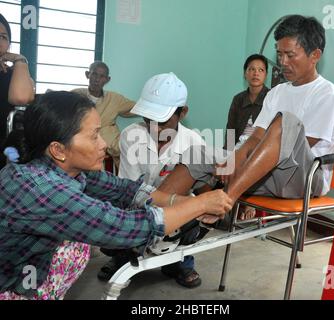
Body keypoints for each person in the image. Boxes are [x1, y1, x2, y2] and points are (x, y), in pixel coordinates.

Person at [0, 91, 232, 300]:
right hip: (12, 285)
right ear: (58, 149)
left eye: (100, 133)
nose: (104, 144)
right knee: (95, 231)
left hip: (31, 273)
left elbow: (126, 189)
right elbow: (126, 227)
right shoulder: (41, 189)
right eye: (93, 136)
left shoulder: (70, 170)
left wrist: (186, 203)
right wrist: (201, 204)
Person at [157, 15, 334, 213]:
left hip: (304, 179)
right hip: (267, 173)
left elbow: (295, 146)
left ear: (315, 55)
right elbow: (256, 136)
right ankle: (155, 223)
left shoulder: (326, 93)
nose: (282, 62)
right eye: (279, 54)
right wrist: (236, 157)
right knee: (197, 153)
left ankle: (226, 200)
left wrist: (242, 163)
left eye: (290, 55)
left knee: (285, 122)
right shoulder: (277, 92)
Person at [97, 73, 206, 288]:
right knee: (115, 211)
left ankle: (181, 262)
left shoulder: (194, 143)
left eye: (162, 120)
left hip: (175, 205)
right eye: (148, 119)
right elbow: (128, 187)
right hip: (138, 201)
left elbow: (191, 193)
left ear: (182, 113)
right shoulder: (131, 135)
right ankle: (122, 258)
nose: (154, 127)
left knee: (192, 211)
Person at [73, 61, 135, 169]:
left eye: (102, 76)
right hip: (85, 140)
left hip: (111, 141)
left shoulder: (114, 99)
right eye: (94, 74)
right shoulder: (76, 95)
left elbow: (137, 108)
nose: (97, 79)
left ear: (107, 79)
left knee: (130, 151)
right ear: (88, 75)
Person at [0, 13, 34, 169]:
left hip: (5, 149)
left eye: (3, 37)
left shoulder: (13, 73)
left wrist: (20, 60)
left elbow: (22, 98)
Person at [224, 54, 269, 150]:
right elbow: (231, 131)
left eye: (261, 70)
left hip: (261, 151)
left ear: (266, 75)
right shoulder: (238, 99)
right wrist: (227, 156)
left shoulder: (272, 97)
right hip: (238, 149)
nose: (256, 73)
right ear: (245, 74)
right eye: (252, 69)